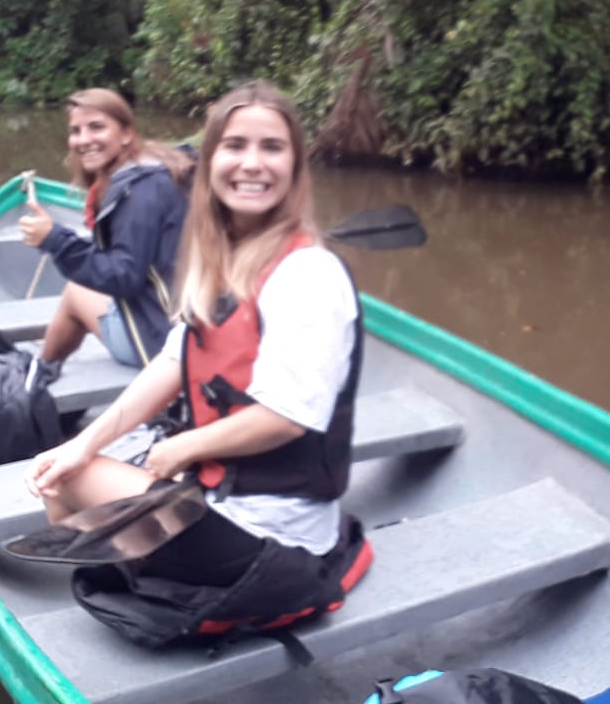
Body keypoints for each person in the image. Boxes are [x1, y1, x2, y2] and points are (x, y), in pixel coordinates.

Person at [22, 80, 360, 595]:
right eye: (235, 145)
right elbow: (174, 360)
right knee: (66, 463)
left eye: (271, 147)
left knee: (64, 482)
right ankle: (147, 581)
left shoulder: (309, 273)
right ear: (211, 161)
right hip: (223, 499)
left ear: (294, 167)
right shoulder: (221, 261)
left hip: (275, 540)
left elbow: (288, 418)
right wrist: (83, 442)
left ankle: (148, 595)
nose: (252, 163)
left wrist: (181, 447)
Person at [19, 88, 193, 368]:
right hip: (192, 323)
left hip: (162, 343)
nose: (83, 140)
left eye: (96, 127)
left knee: (76, 293)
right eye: (76, 131)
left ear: (126, 133)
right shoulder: (164, 168)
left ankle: (40, 375)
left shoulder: (138, 194)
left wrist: (55, 239)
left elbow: (123, 277)